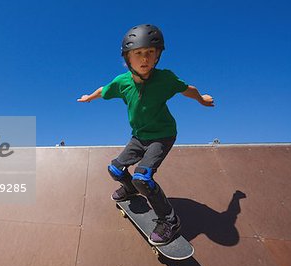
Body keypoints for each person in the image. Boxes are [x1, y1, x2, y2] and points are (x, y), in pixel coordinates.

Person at [77, 24, 214, 245]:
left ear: (158, 55)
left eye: (150, 53)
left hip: (162, 135)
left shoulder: (165, 79)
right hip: (138, 137)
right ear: (127, 59)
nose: (144, 59)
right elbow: (103, 90)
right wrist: (88, 97)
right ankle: (130, 189)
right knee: (115, 169)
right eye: (138, 54)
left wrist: (202, 99)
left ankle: (170, 220)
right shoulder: (122, 82)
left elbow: (188, 88)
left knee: (143, 177)